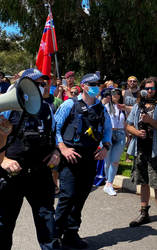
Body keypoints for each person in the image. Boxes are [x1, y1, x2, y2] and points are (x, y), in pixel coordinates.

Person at [0, 68, 61, 250]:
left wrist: (56, 151)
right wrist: (3, 161)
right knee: (3, 225)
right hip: (12, 177)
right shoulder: (8, 108)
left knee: (48, 224)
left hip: (40, 175)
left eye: (43, 84)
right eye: (35, 84)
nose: (41, 87)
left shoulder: (48, 110)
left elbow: (53, 137)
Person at [54, 73, 112, 249]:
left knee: (80, 198)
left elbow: (108, 130)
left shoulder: (101, 109)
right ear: (84, 86)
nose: (97, 87)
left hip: (90, 159)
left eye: (99, 85)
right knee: (67, 196)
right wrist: (62, 148)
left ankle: (71, 233)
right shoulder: (69, 104)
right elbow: (55, 128)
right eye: (93, 84)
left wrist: (106, 147)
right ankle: (55, 235)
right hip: (70, 158)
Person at [126, 77, 157, 234]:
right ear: (142, 89)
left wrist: (151, 121)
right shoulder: (138, 106)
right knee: (143, 182)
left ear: (156, 89)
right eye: (147, 88)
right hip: (140, 150)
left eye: (152, 88)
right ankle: (144, 213)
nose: (149, 91)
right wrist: (137, 132)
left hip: (155, 151)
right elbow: (128, 125)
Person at [103, 88, 128, 196]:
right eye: (113, 93)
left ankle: (109, 183)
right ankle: (107, 182)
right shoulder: (106, 106)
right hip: (108, 135)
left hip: (121, 134)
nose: (116, 95)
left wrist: (129, 138)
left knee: (115, 161)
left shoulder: (123, 108)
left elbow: (126, 123)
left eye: (118, 93)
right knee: (107, 161)